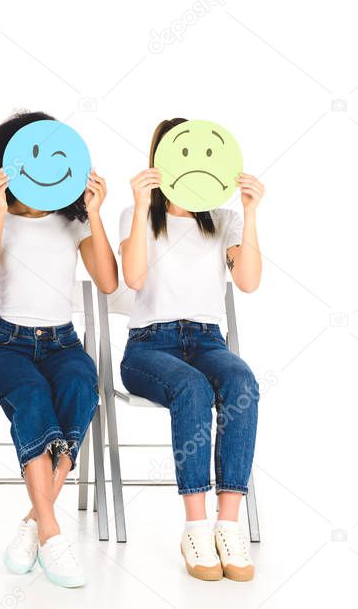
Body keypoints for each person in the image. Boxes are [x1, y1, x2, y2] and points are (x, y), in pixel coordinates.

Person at [0, 111, 118, 588]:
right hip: (5, 346)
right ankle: (54, 533)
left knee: (79, 387)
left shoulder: (73, 222)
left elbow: (110, 282)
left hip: (62, 342)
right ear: (5, 162)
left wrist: (94, 214)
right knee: (32, 395)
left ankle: (35, 520)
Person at [118, 117, 264, 582]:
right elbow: (134, 279)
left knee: (241, 380)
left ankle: (228, 524)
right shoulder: (136, 213)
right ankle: (195, 527)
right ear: (160, 161)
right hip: (148, 345)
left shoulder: (224, 220)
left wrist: (252, 212)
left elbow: (249, 282)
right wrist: (141, 204)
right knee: (194, 388)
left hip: (206, 340)